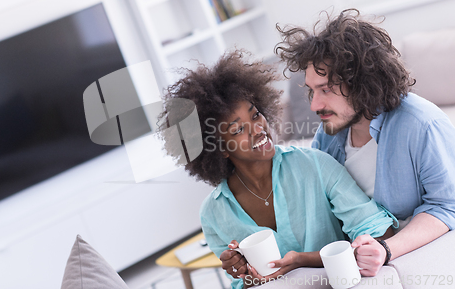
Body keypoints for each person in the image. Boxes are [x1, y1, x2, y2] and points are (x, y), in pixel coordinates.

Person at [158, 50, 395, 289]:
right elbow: (248, 285)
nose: (258, 129)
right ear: (220, 149)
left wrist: (302, 260)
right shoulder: (214, 213)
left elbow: (377, 234)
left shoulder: (314, 166)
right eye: (238, 130)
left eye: (255, 115)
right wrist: (244, 274)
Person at [276, 8, 455, 273]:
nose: (315, 105)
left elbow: (446, 205)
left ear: (362, 82)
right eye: (311, 91)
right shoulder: (328, 136)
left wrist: (385, 249)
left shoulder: (422, 124)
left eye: (326, 89)